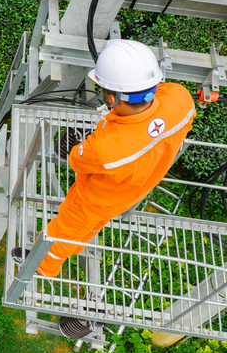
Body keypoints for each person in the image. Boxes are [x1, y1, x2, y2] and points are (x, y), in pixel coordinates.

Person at [13, 39, 196, 277]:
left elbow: (75, 160)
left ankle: (45, 265)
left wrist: (104, 125)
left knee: (66, 229)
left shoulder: (106, 148)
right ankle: (72, 246)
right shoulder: (181, 99)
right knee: (87, 229)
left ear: (112, 99)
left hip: (95, 199)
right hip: (134, 189)